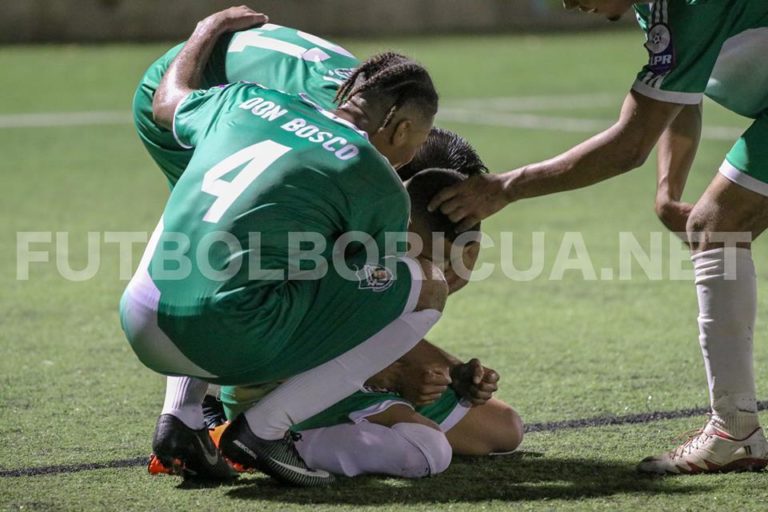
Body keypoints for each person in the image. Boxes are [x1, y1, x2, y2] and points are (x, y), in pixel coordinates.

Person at [428, 0, 768, 474]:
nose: (568, 3)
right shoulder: (657, 7)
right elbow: (680, 96)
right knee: (719, 226)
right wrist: (667, 190)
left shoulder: (691, 5)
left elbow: (630, 144)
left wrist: (506, 187)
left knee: (717, 226)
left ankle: (735, 432)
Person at [120, 5, 443, 487]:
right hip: (227, 341)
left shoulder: (246, 100)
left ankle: (181, 416)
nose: (412, 155)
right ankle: (264, 430)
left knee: (206, 211)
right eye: (419, 140)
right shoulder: (377, 182)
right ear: (400, 130)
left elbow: (164, 102)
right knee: (427, 286)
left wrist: (207, 28)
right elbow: (351, 292)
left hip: (139, 318)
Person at [205, 167, 523, 479]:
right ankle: (248, 439)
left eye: (444, 260)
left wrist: (454, 371)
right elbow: (300, 337)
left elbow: (377, 332)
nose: (436, 270)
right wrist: (390, 376)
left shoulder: (404, 257)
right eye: (420, 255)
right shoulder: (344, 240)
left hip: (353, 379)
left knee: (506, 428)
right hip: (280, 387)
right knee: (426, 449)